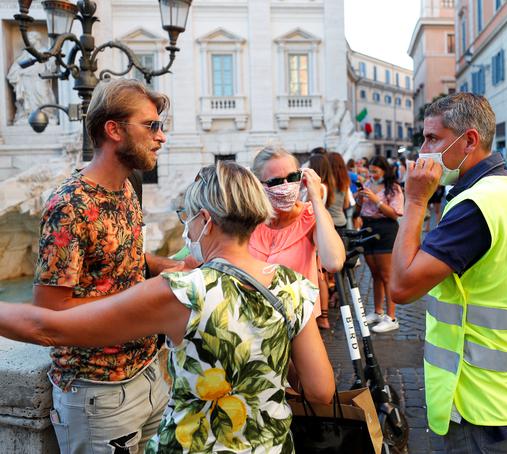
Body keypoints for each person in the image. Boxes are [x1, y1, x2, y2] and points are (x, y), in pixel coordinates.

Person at [0, 162, 335, 452]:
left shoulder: (184, 292)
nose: (187, 229)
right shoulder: (293, 286)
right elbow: (321, 390)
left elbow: (48, 327)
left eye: (186, 218)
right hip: (272, 445)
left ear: (206, 219)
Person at [32, 78, 192, 452]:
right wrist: (141, 299)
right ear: (114, 130)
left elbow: (123, 257)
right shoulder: (70, 205)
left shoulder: (126, 186)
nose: (161, 136)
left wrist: (162, 265)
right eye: (151, 125)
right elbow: (49, 313)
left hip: (150, 373)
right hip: (98, 394)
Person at [390, 93, 507, 452]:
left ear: (469, 140)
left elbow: (401, 286)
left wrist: (414, 202)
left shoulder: (476, 205)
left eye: (433, 139)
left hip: (479, 401)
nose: (423, 151)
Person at [248, 147, 345, 331]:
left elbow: (334, 262)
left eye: (292, 178)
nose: (286, 186)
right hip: (254, 325)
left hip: (298, 328)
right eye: (276, 181)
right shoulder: (249, 220)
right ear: (258, 184)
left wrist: (316, 197)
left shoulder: (310, 216)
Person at [354, 155, 404, 333]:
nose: (373, 174)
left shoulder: (394, 188)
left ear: (384, 171)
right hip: (368, 227)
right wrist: (360, 199)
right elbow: (358, 210)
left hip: (385, 229)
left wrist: (376, 200)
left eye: (376, 171)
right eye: (371, 171)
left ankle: (391, 317)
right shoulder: (368, 185)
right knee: (375, 273)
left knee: (387, 275)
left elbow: (394, 213)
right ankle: (377, 311)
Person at [308, 153, 337, 328]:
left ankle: (323, 316)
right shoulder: (327, 186)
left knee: (319, 276)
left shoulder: (318, 188)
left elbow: (306, 206)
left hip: (314, 232)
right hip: (319, 230)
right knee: (322, 276)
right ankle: (323, 316)